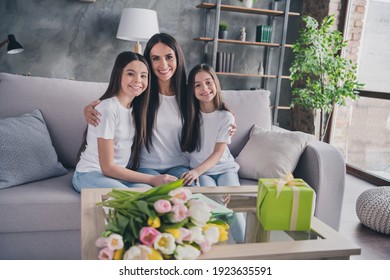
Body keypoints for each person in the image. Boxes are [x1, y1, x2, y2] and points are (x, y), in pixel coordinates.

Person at [73, 51, 177, 192]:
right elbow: (107, 167)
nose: (138, 80)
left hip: (118, 176)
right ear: (118, 75)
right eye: (130, 74)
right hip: (90, 174)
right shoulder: (108, 109)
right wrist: (152, 179)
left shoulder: (136, 109)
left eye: (143, 76)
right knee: (134, 199)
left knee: (154, 195)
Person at [180, 64, 240, 187]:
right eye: (197, 85)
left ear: (216, 84)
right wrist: (196, 171)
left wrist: (196, 171)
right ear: (192, 89)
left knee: (231, 196)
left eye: (208, 82)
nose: (204, 88)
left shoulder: (226, 116)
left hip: (225, 169)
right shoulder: (189, 116)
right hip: (202, 172)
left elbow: (218, 152)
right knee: (211, 200)